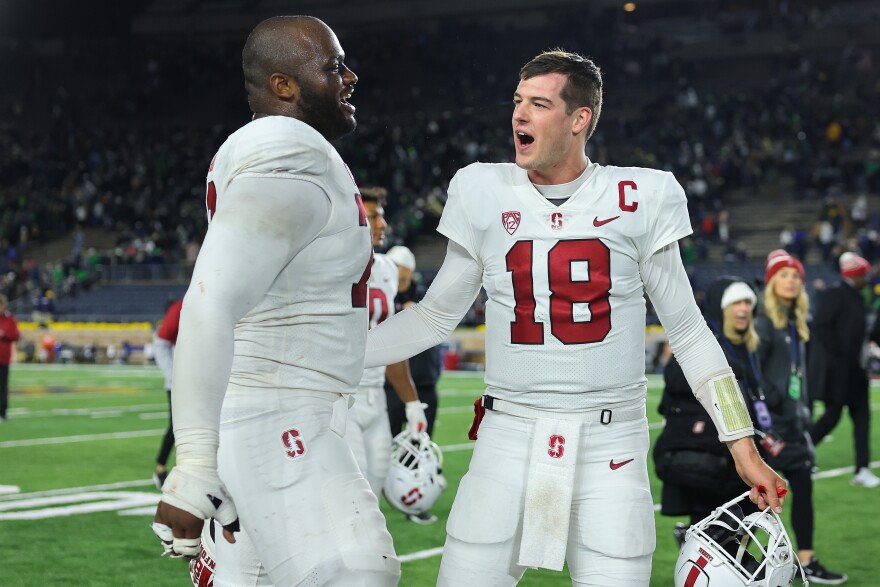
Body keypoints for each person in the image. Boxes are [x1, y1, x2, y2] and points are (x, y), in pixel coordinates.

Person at [364, 50, 786, 586]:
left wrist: (743, 448)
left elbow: (689, 333)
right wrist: (333, 354)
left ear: (579, 118)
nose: (519, 115)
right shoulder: (480, 189)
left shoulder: (640, 195)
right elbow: (431, 319)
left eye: (539, 104)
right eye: (517, 102)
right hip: (507, 435)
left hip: (610, 443)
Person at [151, 15, 401, 587]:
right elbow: (209, 301)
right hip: (281, 415)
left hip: (272, 409)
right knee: (358, 573)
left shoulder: (280, 151)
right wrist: (192, 463)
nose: (351, 77)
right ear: (284, 85)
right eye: (334, 66)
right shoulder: (292, 153)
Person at [755, 250, 848, 584]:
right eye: (784, 275)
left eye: (795, 276)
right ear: (771, 283)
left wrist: (803, 409)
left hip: (793, 425)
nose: (791, 280)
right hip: (768, 427)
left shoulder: (795, 322)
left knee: (804, 491)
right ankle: (739, 557)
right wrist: (774, 401)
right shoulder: (763, 321)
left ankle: (805, 560)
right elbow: (755, 374)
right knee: (758, 498)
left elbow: (796, 374)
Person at [653, 278, 755, 546]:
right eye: (736, 302)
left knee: (742, 532)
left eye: (747, 302)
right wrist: (723, 371)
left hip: (729, 457)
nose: (743, 309)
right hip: (705, 455)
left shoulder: (748, 341)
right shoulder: (703, 338)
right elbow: (675, 378)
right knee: (719, 537)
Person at [344, 187, 426, 497]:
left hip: (375, 396)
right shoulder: (324, 265)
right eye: (374, 217)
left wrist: (412, 403)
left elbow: (391, 345)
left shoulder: (387, 270)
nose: (383, 224)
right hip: (339, 396)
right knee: (354, 493)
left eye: (382, 216)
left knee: (376, 485)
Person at [383, 244, 444, 525]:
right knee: (382, 445)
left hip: (424, 382)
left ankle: (414, 502)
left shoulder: (424, 298)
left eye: (403, 273)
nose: (398, 278)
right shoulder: (380, 297)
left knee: (420, 448)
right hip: (389, 386)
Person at [811, 252, 879, 488]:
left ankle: (862, 469)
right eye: (864, 275)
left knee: (863, 419)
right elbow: (820, 325)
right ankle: (803, 452)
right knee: (831, 416)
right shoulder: (836, 295)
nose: (867, 279)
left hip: (857, 372)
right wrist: (839, 354)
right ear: (856, 274)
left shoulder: (858, 297)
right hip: (841, 373)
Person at [152, 298, 183, 489]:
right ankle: (160, 468)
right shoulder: (180, 307)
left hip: (203, 380)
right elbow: (161, 342)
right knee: (176, 427)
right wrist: (173, 376)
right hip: (179, 383)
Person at [0, 294, 20, 422]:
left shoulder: (9, 319)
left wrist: (4, 334)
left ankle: (2, 412)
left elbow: (16, 335)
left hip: (3, 358)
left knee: (2, 386)